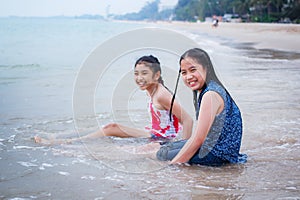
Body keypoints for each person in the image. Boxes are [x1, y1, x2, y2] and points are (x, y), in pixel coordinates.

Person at [34, 55, 193, 145]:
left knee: (111, 128)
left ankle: (66, 142)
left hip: (164, 139)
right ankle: (62, 136)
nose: (139, 78)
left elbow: (187, 120)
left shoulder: (162, 94)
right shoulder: (153, 90)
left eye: (144, 73)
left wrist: (183, 148)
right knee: (108, 127)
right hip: (157, 133)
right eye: (136, 74)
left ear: (156, 75)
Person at [156, 48, 247, 166]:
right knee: (167, 146)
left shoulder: (210, 95)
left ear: (206, 68)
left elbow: (199, 139)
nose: (188, 77)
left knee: (162, 154)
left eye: (193, 70)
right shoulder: (212, 88)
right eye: (184, 72)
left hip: (217, 155)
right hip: (221, 150)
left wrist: (174, 165)